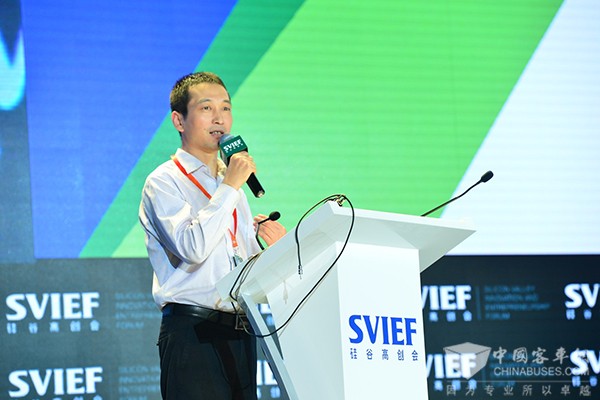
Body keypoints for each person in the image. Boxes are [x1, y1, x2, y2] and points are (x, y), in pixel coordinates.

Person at [139, 71, 286, 400]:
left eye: (226, 108)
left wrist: (276, 250)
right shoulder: (164, 182)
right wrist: (230, 185)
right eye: (206, 108)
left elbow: (244, 272)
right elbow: (193, 247)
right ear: (179, 120)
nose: (219, 118)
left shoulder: (232, 188)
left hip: (241, 332)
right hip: (193, 333)